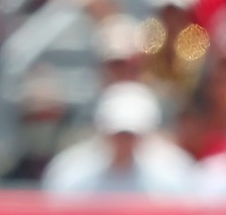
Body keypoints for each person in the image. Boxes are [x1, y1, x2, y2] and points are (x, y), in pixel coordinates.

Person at [41, 82, 193, 196]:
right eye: (119, 134)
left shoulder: (174, 174)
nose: (124, 141)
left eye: (130, 135)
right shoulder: (70, 173)